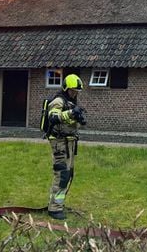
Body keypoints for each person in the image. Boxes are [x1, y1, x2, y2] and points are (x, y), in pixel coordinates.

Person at [46, 73, 86, 220]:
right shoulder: (58, 101)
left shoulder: (71, 102)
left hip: (69, 142)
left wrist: (78, 118)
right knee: (62, 174)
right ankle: (54, 208)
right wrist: (70, 113)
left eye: (77, 92)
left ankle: (58, 203)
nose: (75, 94)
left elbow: (70, 122)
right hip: (59, 142)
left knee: (68, 174)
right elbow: (53, 117)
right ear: (66, 88)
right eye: (73, 91)